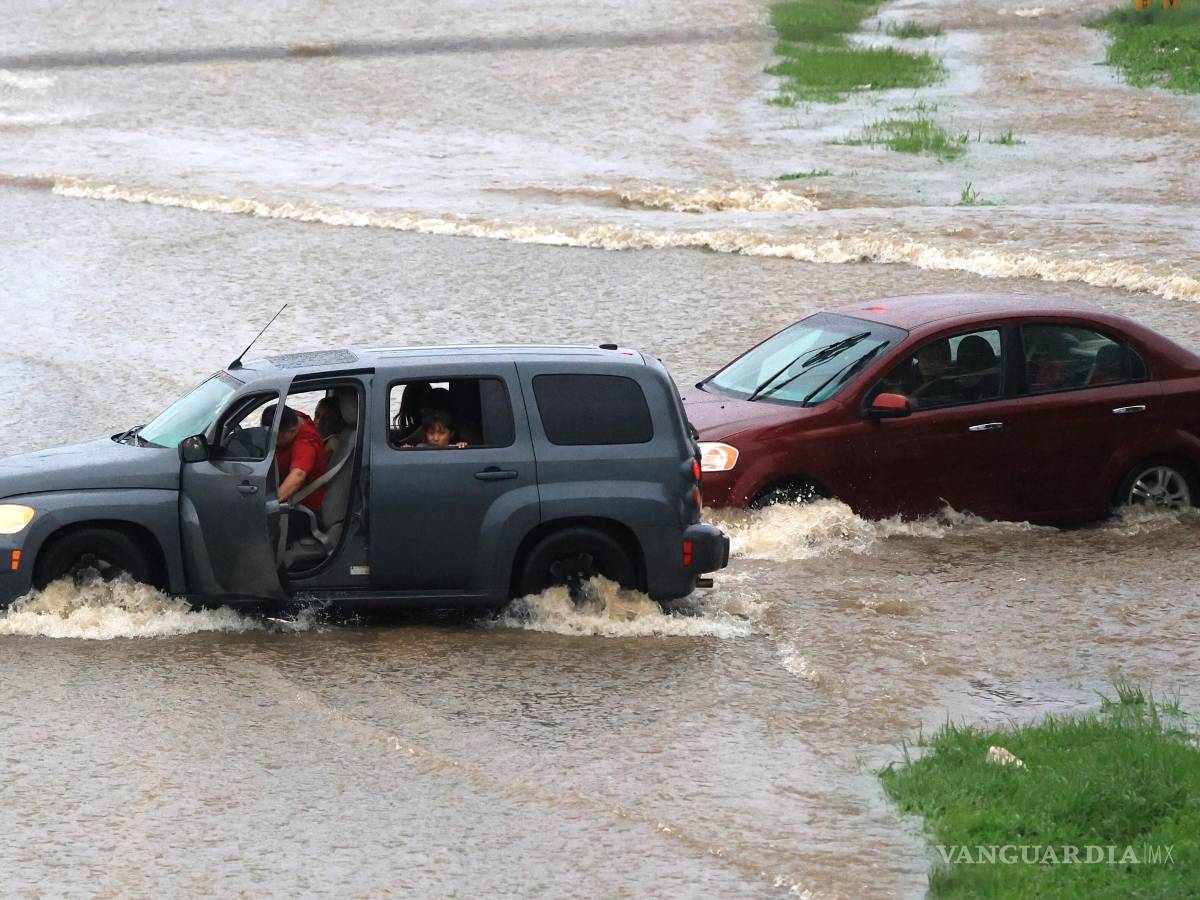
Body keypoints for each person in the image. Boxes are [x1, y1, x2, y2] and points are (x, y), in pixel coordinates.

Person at [261, 404, 329, 537]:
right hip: (287, 496)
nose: (273, 443)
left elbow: (298, 475)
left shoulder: (306, 442)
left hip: (303, 509)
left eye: (276, 439)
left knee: (257, 529)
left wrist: (267, 504)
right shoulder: (292, 418)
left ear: (292, 430)